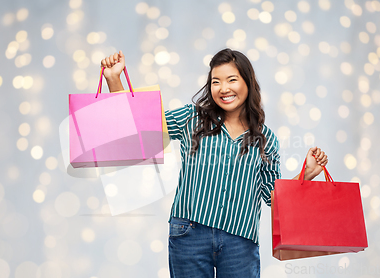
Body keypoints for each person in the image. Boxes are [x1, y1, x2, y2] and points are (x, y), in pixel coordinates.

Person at [101, 49, 328, 278]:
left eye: (232, 80)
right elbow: (140, 129)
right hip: (189, 235)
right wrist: (114, 78)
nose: (223, 88)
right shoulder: (192, 118)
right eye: (216, 81)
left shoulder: (265, 139)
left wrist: (306, 175)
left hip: (240, 241)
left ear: (248, 83)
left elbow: (273, 197)